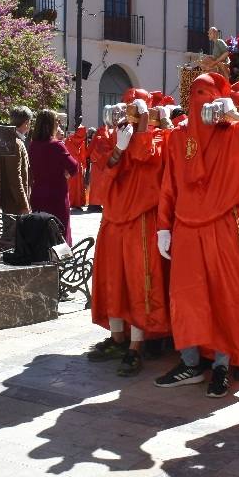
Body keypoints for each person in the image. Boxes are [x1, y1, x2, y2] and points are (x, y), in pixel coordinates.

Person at [155, 73, 239, 398]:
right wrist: (163, 227)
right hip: (185, 226)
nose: (201, 100)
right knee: (186, 298)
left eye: (207, 94)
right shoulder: (178, 136)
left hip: (224, 224)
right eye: (196, 94)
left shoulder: (235, 131)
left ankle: (222, 366)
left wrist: (238, 114)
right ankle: (190, 363)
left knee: (226, 297)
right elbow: (169, 184)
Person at [85, 90, 170, 377]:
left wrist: (144, 127)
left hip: (140, 221)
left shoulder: (156, 139)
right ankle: (117, 338)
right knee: (112, 280)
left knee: (138, 282)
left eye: (133, 113)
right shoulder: (110, 137)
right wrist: (120, 147)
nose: (127, 119)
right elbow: (102, 173)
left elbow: (149, 160)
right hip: (113, 219)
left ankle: (136, 346)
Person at [28, 109, 79, 246]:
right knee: (58, 232)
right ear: (51, 124)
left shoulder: (33, 145)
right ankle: (57, 264)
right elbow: (74, 167)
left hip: (38, 193)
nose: (59, 125)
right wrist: (65, 173)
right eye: (57, 121)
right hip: (56, 195)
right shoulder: (57, 146)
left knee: (41, 232)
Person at [0, 106, 32, 217]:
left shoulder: (12, 139)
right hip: (13, 204)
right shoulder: (15, 142)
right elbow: (15, 176)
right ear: (26, 122)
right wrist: (23, 204)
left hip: (12, 201)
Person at [64, 124, 89, 210]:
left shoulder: (72, 140)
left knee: (76, 185)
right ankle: (74, 202)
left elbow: (82, 154)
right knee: (74, 185)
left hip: (75, 166)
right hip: (73, 165)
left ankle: (75, 202)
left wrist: (84, 165)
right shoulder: (71, 140)